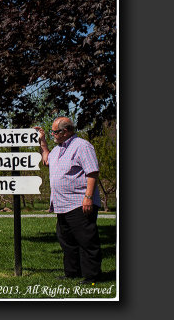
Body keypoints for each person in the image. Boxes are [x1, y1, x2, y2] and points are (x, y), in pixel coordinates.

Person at [35, 117, 103, 285]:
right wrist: (42, 141)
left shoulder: (82, 146)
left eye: (54, 132)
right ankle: (72, 272)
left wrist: (88, 197)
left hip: (79, 203)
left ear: (66, 131)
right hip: (62, 204)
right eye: (51, 132)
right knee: (67, 242)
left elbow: (92, 172)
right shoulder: (58, 150)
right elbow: (46, 159)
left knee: (86, 241)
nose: (53, 135)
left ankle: (92, 276)